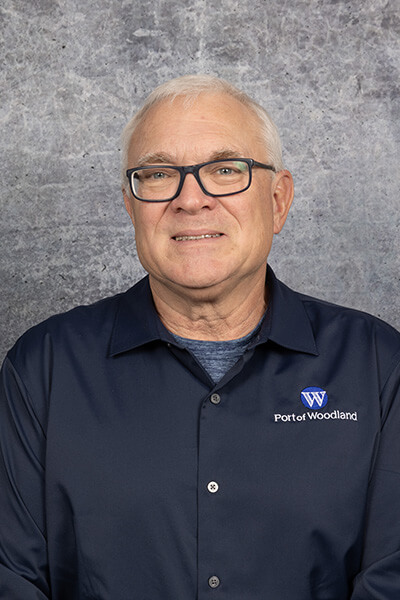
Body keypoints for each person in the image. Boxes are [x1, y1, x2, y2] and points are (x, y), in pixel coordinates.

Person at [0, 74, 399, 600]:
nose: (191, 200)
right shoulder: (42, 369)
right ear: (131, 205)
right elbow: (12, 580)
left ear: (278, 200)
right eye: (159, 174)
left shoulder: (378, 366)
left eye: (226, 169)